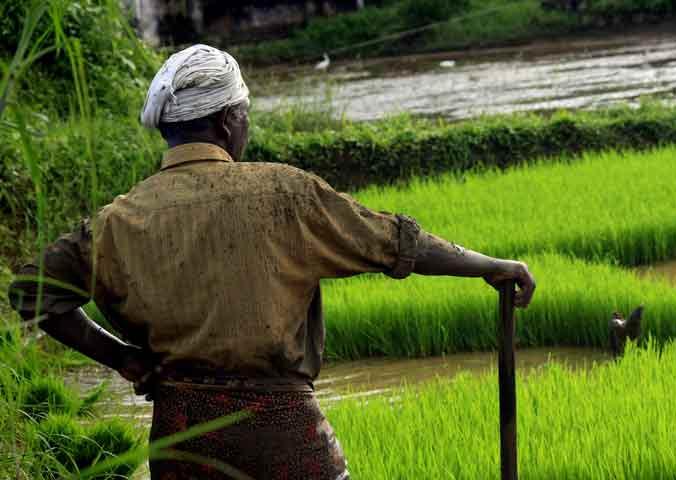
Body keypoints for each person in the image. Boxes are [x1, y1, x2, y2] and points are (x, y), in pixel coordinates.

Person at [8, 44, 535, 480]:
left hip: (180, 434)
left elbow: (30, 290)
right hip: (280, 428)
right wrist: (492, 265)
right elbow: (397, 242)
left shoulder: (118, 221)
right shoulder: (283, 193)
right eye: (245, 115)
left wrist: (124, 358)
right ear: (228, 120)